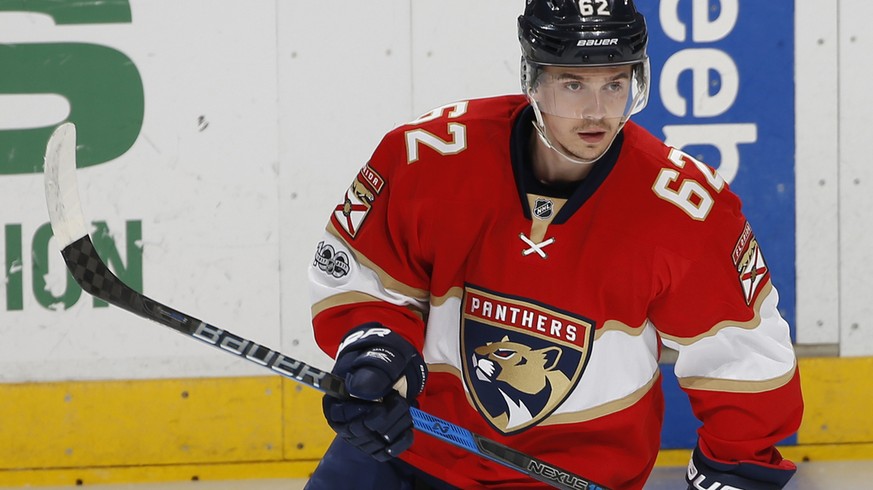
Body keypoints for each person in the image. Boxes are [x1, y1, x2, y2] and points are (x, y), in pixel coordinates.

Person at [305, 0, 803, 488]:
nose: (597, 111)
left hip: (570, 476)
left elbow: (744, 358)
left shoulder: (686, 210)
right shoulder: (428, 156)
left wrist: (736, 469)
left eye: (615, 83)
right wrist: (375, 358)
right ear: (532, 80)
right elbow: (366, 281)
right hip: (408, 448)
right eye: (572, 83)